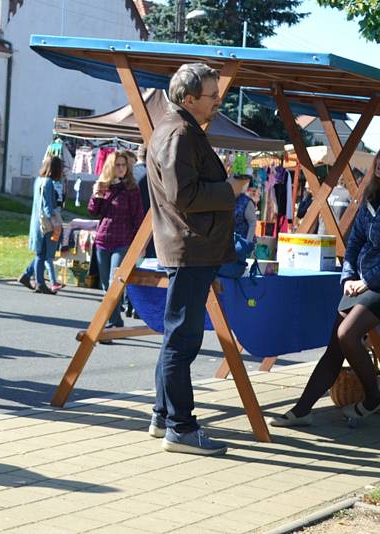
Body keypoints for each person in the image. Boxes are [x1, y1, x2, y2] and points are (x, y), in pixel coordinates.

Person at [269, 138, 380, 427]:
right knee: (336, 344)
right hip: (364, 283)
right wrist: (348, 276)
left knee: (347, 334)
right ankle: (302, 409)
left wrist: (366, 281)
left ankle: (372, 398)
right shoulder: (372, 194)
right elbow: (354, 242)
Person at [146, 63, 247, 455]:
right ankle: (181, 428)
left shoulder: (180, 129)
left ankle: (162, 415)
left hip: (192, 247)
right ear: (189, 99)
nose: (218, 102)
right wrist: (229, 190)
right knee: (182, 340)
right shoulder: (179, 132)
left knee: (178, 337)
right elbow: (183, 195)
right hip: (189, 248)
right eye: (212, 96)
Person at [88, 150, 144, 330]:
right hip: (103, 240)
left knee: (114, 282)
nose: (121, 168)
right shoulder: (104, 186)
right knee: (105, 285)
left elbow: (138, 217)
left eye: (124, 165)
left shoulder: (131, 189)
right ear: (110, 167)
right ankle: (116, 320)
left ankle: (111, 323)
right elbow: (93, 211)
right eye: (117, 165)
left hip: (123, 242)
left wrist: (139, 244)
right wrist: (96, 195)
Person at [17, 156, 63, 295]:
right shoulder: (48, 182)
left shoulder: (38, 180)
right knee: (42, 254)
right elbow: (47, 207)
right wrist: (56, 219)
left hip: (37, 222)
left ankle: (27, 276)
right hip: (45, 224)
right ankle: (40, 283)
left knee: (40, 253)